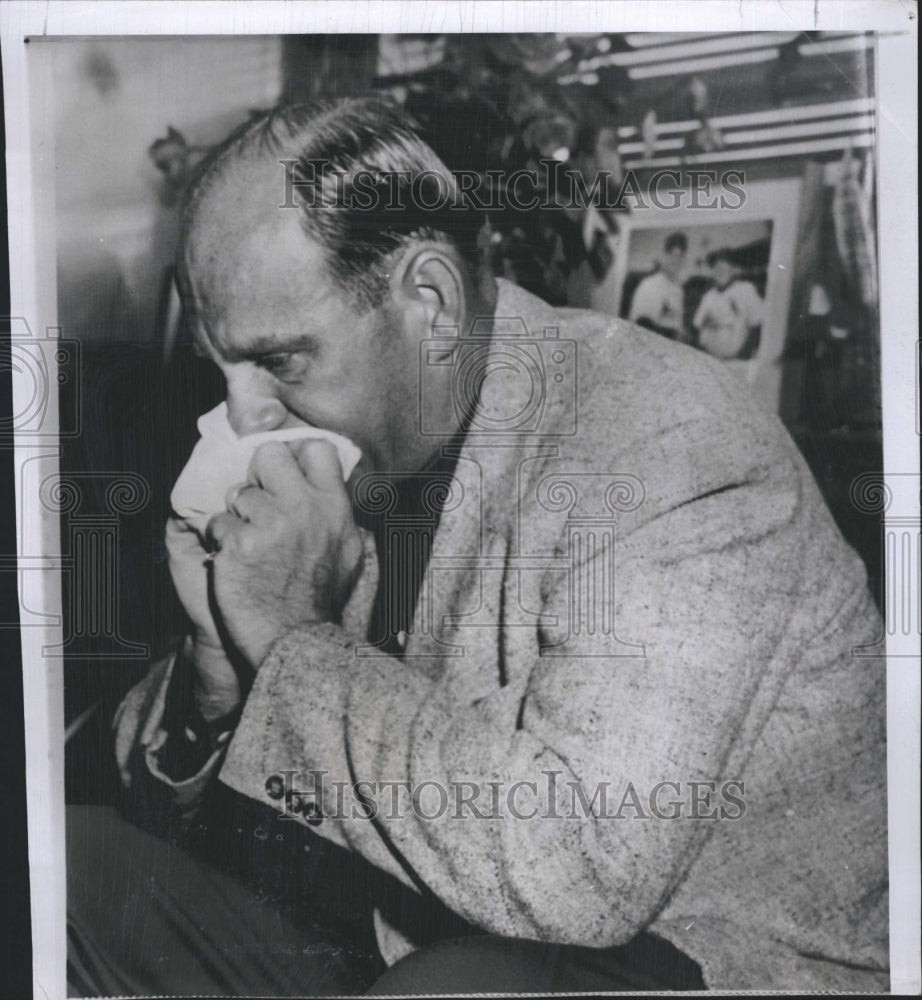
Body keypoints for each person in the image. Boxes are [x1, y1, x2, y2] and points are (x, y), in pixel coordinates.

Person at [68, 99, 889, 995]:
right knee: (68, 867)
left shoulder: (663, 439)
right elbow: (161, 767)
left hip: (703, 957)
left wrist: (293, 642)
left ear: (430, 300)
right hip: (413, 934)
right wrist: (216, 680)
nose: (237, 415)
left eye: (281, 362)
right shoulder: (373, 443)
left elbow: (580, 870)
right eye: (219, 367)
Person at [693, 248, 764, 360]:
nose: (719, 270)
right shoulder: (708, 297)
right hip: (711, 359)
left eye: (724, 265)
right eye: (715, 267)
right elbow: (697, 326)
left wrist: (744, 354)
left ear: (733, 269)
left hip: (736, 359)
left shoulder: (746, 289)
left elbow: (757, 324)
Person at [627, 231, 688, 340]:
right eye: (671, 255)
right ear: (663, 257)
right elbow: (641, 325)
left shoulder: (679, 290)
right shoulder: (649, 285)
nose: (675, 260)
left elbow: (676, 324)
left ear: (684, 259)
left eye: (680, 256)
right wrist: (673, 334)